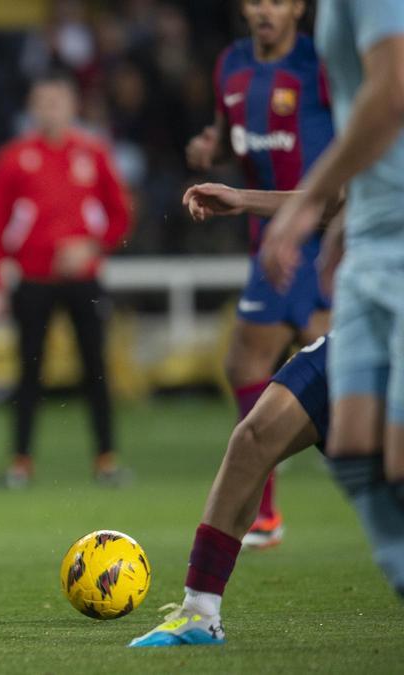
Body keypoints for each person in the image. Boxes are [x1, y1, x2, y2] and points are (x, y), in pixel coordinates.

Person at [129, 184, 355, 647]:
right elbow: (339, 199)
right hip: (363, 328)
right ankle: (199, 612)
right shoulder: (384, 137)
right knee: (254, 437)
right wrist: (245, 201)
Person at [259, 0, 404, 603]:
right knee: (351, 449)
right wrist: (347, 220)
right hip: (373, 236)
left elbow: (392, 92)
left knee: (398, 461)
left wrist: (302, 206)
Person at [183, 0, 335, 548]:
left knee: (309, 364)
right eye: (255, 1)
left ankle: (266, 511)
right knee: (272, 362)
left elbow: (357, 143)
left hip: (322, 234)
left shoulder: (323, 64)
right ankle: (269, 510)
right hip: (267, 237)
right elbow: (232, 133)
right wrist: (212, 146)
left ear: (298, 7)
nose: (264, 10)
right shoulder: (232, 63)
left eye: (277, 0)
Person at [0, 70, 131, 489]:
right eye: (43, 102)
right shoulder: (14, 157)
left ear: (72, 106)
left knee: (96, 370)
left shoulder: (93, 153)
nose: (50, 109)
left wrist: (91, 248)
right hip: (33, 280)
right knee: (28, 373)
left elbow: (122, 215)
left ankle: (107, 458)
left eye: (57, 101)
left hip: (84, 279)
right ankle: (21, 462)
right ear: (32, 108)